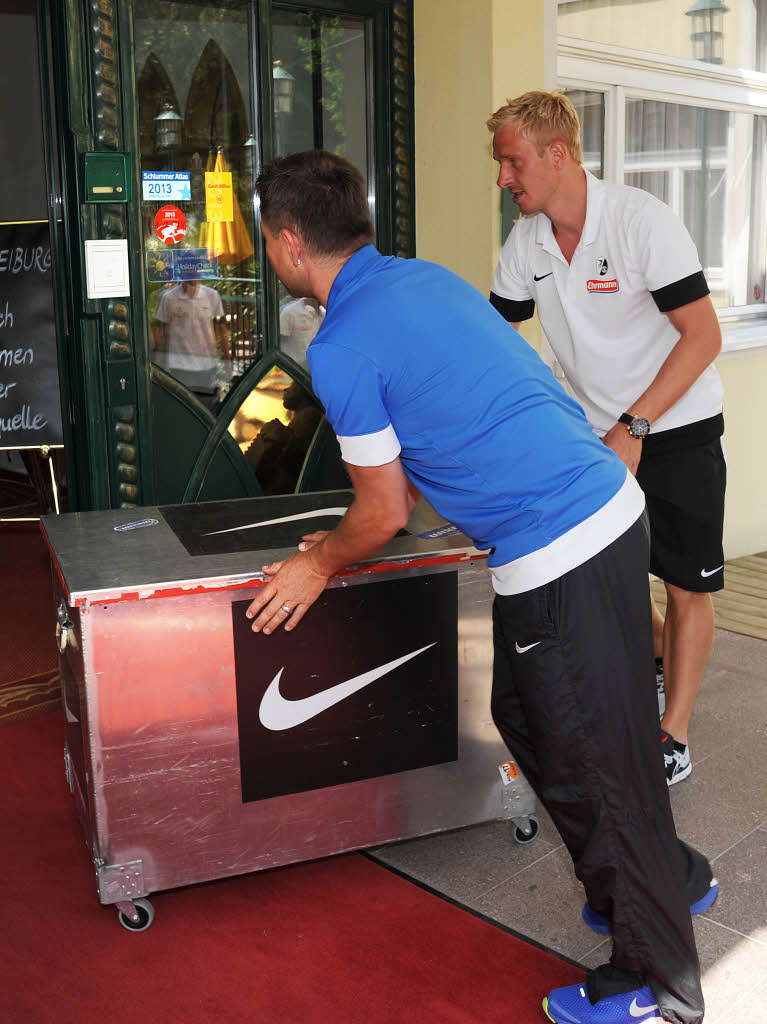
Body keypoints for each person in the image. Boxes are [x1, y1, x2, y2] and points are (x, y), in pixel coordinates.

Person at [245, 149, 718, 1024]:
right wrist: (356, 532)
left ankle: (657, 983)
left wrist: (320, 559)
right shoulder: (419, 281)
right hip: (606, 511)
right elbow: (437, 432)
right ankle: (666, 878)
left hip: (559, 542)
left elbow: (381, 510)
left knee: (585, 757)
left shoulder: (342, 343)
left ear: (283, 244)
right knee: (548, 719)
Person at [487, 91, 726, 787]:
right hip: (595, 438)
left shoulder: (638, 222)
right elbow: (493, 337)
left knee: (685, 585)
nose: (503, 176)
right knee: (612, 576)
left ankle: (671, 733)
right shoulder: (526, 240)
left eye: (512, 160)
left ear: (555, 154)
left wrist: (635, 424)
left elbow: (703, 336)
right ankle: (654, 659)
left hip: (673, 428)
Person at [151, 277, 231, 406]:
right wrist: (158, 363)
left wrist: (227, 362)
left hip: (206, 365)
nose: (192, 276)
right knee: (182, 408)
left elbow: (221, 330)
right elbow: (159, 332)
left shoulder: (212, 296)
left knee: (207, 408)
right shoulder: (168, 298)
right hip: (179, 367)